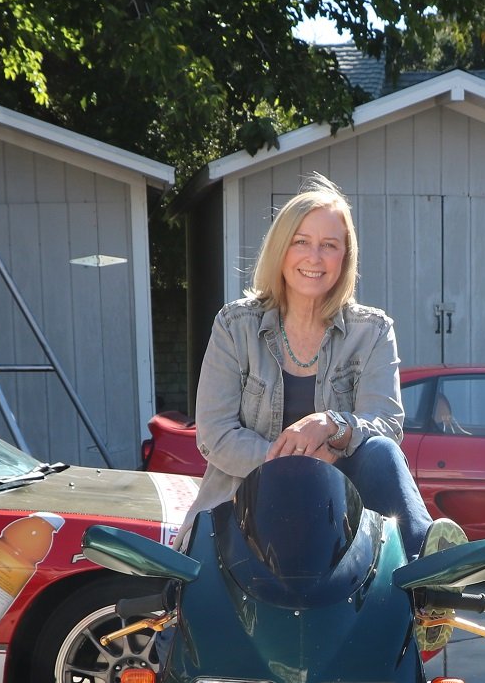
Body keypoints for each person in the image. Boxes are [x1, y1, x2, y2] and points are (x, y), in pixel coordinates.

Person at [185, 174, 460, 562]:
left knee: (379, 449)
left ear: (344, 258)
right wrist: (293, 464)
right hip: (245, 507)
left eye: (329, 246)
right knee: (183, 615)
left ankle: (430, 570)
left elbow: (387, 422)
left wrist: (333, 424)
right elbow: (214, 435)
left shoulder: (373, 330)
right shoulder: (235, 326)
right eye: (302, 242)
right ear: (281, 250)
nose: (315, 257)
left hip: (336, 514)